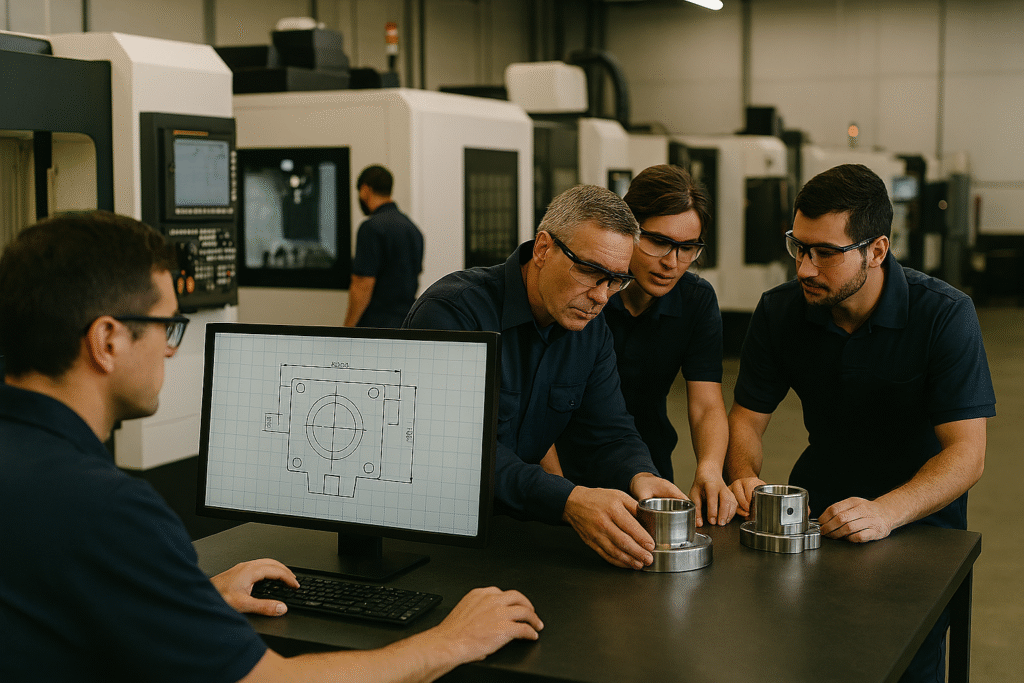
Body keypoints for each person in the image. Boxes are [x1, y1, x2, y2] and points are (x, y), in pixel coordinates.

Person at [0, 211, 542, 683]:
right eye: (167, 326)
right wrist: (454, 640)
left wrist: (193, 598)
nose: (169, 349)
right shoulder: (109, 511)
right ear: (108, 340)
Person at [724, 164, 995, 683]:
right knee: (811, 657)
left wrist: (885, 513)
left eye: (825, 252)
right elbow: (747, 421)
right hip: (819, 512)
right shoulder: (781, 312)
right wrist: (744, 477)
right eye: (798, 247)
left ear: (877, 250)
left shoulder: (943, 315)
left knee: (902, 662)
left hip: (920, 522)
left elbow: (967, 453)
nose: (805, 268)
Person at [404, 185, 687, 571]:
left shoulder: (590, 329)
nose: (602, 296)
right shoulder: (453, 314)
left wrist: (641, 475)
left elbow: (609, 431)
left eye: (617, 281)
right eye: (591, 272)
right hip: (432, 536)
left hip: (516, 533)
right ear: (542, 249)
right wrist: (568, 500)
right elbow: (460, 455)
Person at [547, 165, 736, 528]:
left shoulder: (695, 301)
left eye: (687, 249)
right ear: (627, 230)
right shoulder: (583, 295)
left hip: (645, 463)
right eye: (658, 242)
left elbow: (706, 404)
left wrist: (710, 469)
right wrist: (558, 495)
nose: (671, 262)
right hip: (560, 460)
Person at [344, 164, 425, 328]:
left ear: (365, 189)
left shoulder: (371, 228)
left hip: (376, 325)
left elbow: (362, 285)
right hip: (406, 322)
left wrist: (347, 328)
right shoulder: (413, 229)